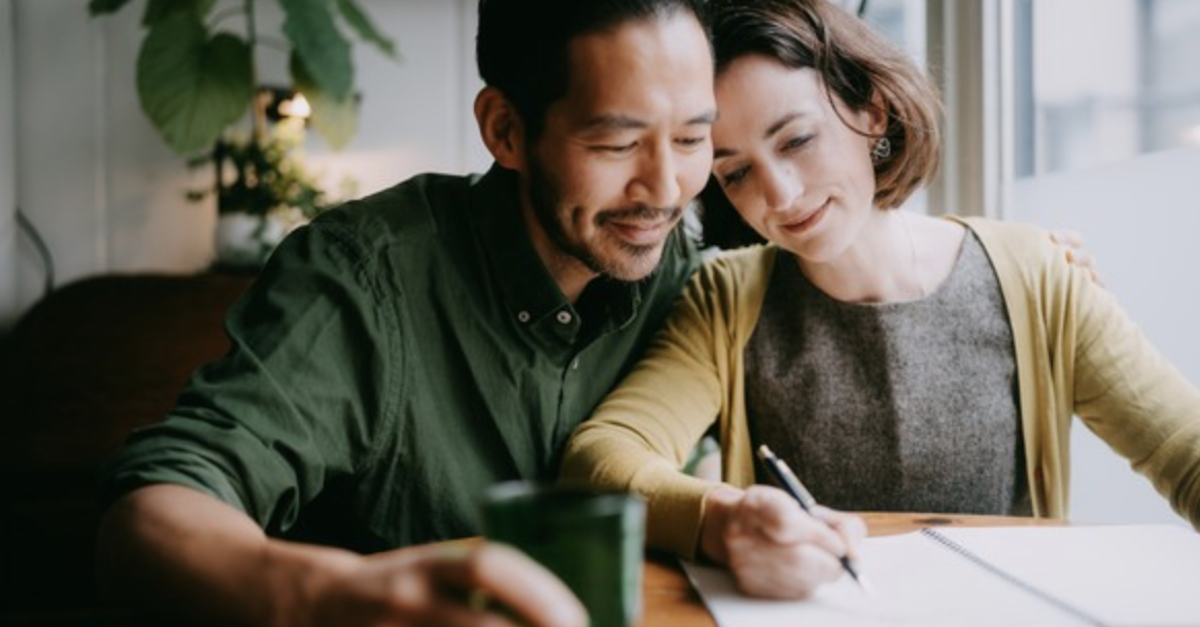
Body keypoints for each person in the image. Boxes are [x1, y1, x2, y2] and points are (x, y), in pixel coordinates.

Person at [94, 0, 717, 624]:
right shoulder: (364, 277)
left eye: (692, 138)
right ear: (505, 129)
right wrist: (323, 595)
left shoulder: (690, 283)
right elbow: (153, 510)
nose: (665, 190)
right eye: (617, 143)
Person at [560, 0, 1200, 601]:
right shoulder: (725, 301)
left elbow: (1185, 450)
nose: (779, 195)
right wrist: (722, 518)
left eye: (796, 140)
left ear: (873, 113)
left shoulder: (1038, 276)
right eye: (737, 172)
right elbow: (601, 459)